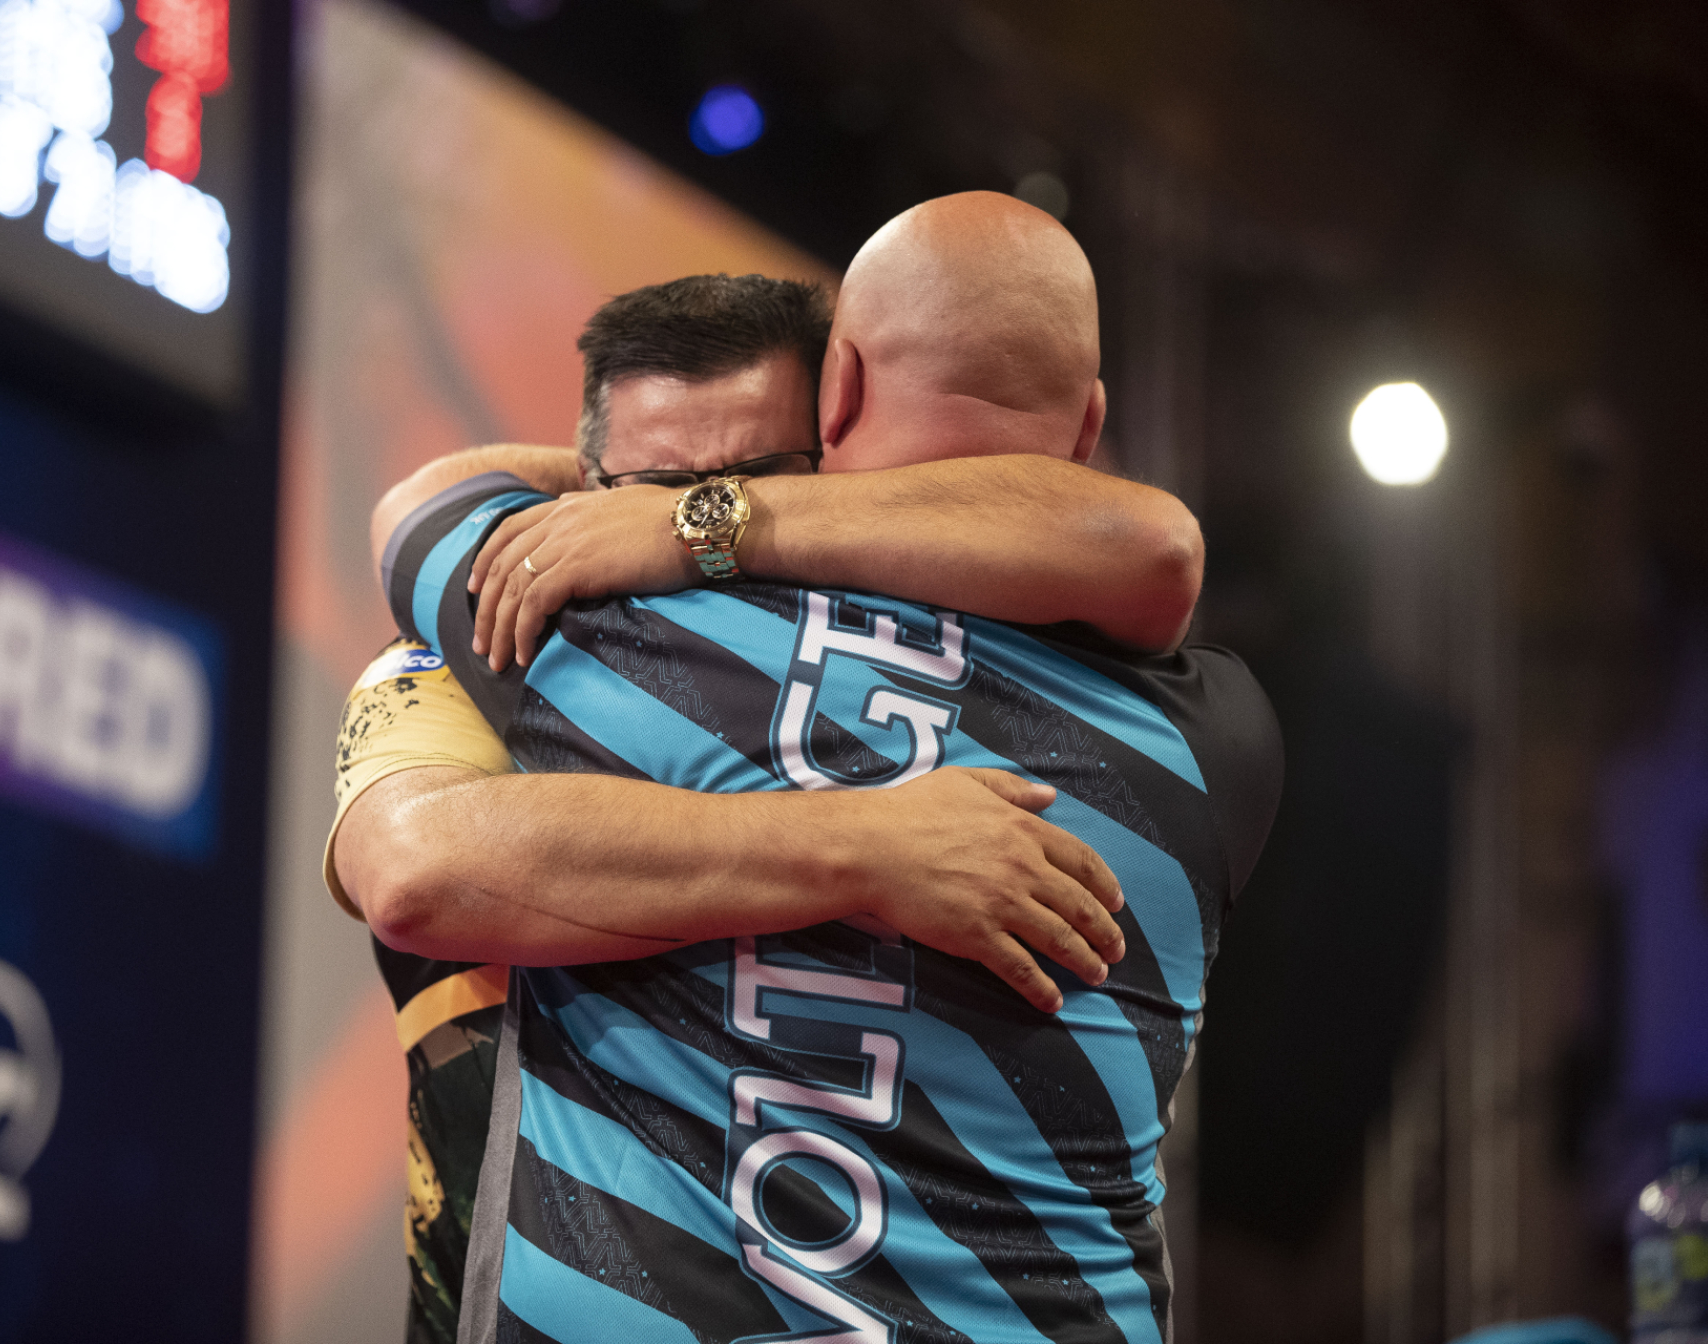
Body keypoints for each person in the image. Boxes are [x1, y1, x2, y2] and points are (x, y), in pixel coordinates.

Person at [343, 197, 1274, 1342]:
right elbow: (1144, 546)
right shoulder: (1203, 741)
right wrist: (863, 846)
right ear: (1089, 426)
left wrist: (679, 522)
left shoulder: (604, 631)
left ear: (839, 398)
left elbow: (420, 508)